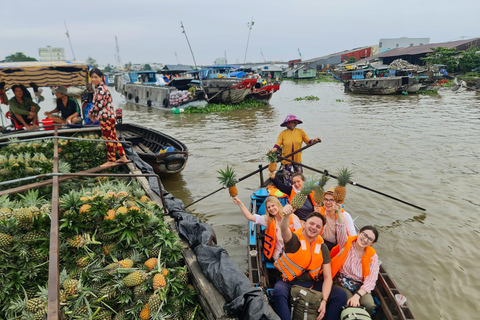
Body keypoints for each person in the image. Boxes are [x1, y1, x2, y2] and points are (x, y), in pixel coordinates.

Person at [272, 209, 346, 320]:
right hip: (289, 282)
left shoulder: (322, 247)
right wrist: (286, 216)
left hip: (312, 283)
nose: (313, 228)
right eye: (311, 223)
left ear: (321, 230)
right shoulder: (294, 240)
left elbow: (327, 277)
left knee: (340, 296)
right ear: (304, 224)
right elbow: (284, 230)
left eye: (318, 226)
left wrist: (324, 301)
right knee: (278, 292)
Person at [330, 209, 379, 315]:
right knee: (349, 302)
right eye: (364, 235)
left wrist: (358, 295)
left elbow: (371, 281)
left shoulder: (373, 257)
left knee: (369, 305)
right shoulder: (346, 244)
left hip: (359, 286)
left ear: (372, 243)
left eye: (369, 239)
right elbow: (341, 230)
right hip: (341, 282)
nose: (365, 240)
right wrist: (338, 212)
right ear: (359, 232)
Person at [232, 196, 302, 261]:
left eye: (273, 206)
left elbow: (301, 235)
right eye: (268, 207)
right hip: (279, 252)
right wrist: (240, 204)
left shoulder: (292, 217)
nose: (271, 209)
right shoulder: (267, 220)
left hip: (293, 249)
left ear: (278, 205)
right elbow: (250, 217)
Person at [88, 68, 128, 167]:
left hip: (106, 117)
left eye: (95, 77)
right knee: (113, 137)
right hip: (110, 116)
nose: (93, 79)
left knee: (108, 138)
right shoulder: (101, 87)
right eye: (92, 77)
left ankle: (111, 160)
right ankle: (123, 157)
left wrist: (91, 112)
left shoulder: (101, 89)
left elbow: (100, 105)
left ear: (101, 77)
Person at [271, 114, 321, 186]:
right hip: (286, 158)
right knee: (287, 178)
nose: (291, 123)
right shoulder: (282, 134)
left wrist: (314, 140)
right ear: (286, 124)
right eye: (289, 122)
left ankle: (299, 191)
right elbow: (277, 144)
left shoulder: (300, 132)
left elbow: (308, 141)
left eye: (292, 122)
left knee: (299, 177)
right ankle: (288, 190)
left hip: (297, 159)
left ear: (295, 123)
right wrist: (273, 150)